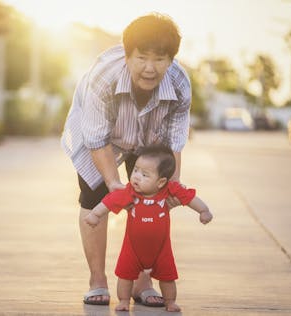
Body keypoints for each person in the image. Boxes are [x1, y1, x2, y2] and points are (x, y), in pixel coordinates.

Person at [61, 13, 192, 306]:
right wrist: (113, 183)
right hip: (102, 132)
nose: (149, 68)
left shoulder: (180, 84)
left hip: (149, 136)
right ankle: (97, 280)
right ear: (127, 55)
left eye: (159, 59)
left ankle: (142, 282)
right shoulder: (103, 78)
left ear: (171, 60)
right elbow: (96, 139)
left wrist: (172, 183)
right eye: (141, 58)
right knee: (94, 196)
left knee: (152, 198)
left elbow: (174, 138)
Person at [84, 145, 213, 312]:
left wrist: (203, 210)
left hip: (161, 250)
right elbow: (111, 200)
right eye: (136, 170)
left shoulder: (169, 190)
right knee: (125, 275)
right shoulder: (130, 192)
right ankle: (123, 300)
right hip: (133, 249)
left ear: (161, 182)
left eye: (144, 175)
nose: (136, 177)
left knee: (167, 277)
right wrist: (96, 214)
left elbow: (189, 197)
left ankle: (170, 301)